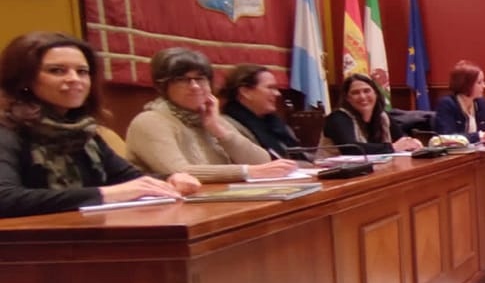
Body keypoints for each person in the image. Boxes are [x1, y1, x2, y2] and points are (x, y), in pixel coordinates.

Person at [0, 32, 199, 217]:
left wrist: (169, 179)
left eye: (82, 71)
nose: (74, 79)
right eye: (57, 71)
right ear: (24, 79)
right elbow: (5, 198)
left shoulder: (82, 130)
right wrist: (104, 193)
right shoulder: (6, 129)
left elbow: (129, 178)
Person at [128, 48, 300, 182]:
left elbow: (262, 161)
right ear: (163, 86)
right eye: (183, 80)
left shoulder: (210, 116)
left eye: (200, 78)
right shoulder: (150, 121)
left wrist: (219, 130)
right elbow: (177, 171)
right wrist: (246, 172)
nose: (195, 86)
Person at [322, 73, 424, 155]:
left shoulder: (382, 117)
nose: (362, 97)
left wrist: (411, 143)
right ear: (348, 98)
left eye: (367, 91)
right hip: (331, 171)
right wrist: (392, 147)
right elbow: (351, 149)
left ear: (376, 94)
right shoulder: (337, 118)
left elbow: (400, 139)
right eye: (355, 93)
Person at [219, 64, 303, 159]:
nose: (277, 93)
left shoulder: (276, 123)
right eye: (270, 88)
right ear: (245, 92)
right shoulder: (228, 126)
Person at [433, 60, 485, 143]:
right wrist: (478, 136)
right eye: (479, 82)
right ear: (466, 85)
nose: (484, 86)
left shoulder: (481, 103)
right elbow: (446, 137)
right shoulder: (447, 104)